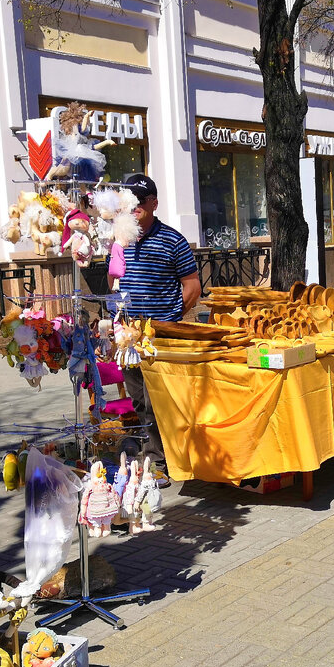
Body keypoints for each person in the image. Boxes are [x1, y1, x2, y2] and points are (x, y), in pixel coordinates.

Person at [117, 174, 202, 482]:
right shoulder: (120, 238)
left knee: (160, 399)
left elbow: (192, 286)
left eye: (140, 201)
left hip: (160, 335)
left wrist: (171, 319)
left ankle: (160, 462)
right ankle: (155, 453)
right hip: (128, 335)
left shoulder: (172, 240)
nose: (134, 207)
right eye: (130, 201)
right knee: (140, 398)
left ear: (153, 202)